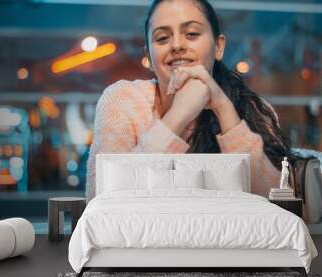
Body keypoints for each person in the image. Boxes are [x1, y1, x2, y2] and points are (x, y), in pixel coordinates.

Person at [85, 0, 291, 203]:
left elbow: (278, 204)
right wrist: (178, 115)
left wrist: (223, 107)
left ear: (218, 47)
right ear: (148, 55)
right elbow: (100, 202)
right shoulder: (122, 100)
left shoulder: (255, 109)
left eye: (192, 34)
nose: (176, 45)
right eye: (162, 38)